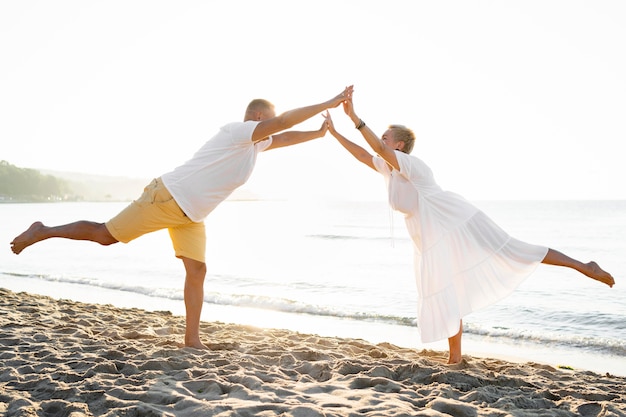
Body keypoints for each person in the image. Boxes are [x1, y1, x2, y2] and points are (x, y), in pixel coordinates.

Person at [10, 85, 354, 349]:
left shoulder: (254, 145)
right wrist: (327, 102)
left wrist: (318, 134)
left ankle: (191, 339)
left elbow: (282, 136)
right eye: (270, 120)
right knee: (105, 235)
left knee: (197, 270)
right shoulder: (237, 131)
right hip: (167, 197)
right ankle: (43, 230)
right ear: (259, 117)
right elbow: (281, 125)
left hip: (191, 214)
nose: (271, 129)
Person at [323, 97, 615, 364]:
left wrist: (354, 117)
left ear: (398, 146)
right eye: (383, 137)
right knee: (447, 290)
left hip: (455, 219)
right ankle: (456, 358)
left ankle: (583, 266)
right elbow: (364, 155)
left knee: (513, 249)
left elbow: (374, 147)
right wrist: (334, 133)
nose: (382, 140)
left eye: (386, 137)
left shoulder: (411, 164)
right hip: (430, 234)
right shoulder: (389, 168)